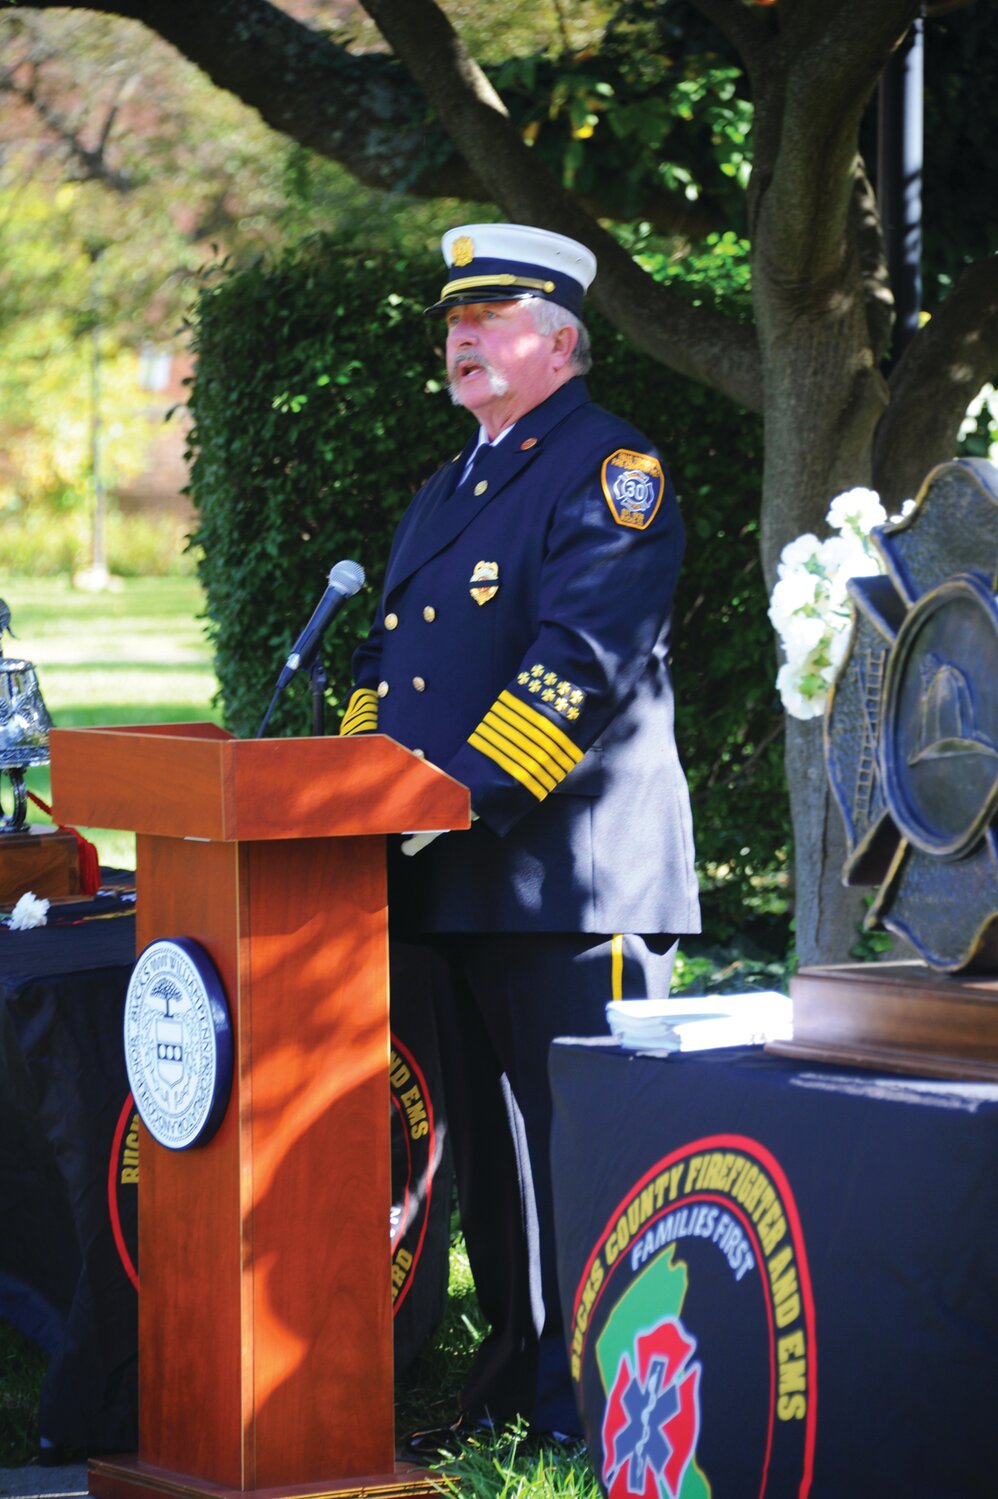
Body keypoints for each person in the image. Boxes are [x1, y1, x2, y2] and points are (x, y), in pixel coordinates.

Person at [339, 223, 700, 1445]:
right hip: (452, 874)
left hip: (566, 879)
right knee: (487, 1165)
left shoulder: (610, 469)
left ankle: (603, 1409)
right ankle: (516, 1392)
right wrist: (356, 786)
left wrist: (436, 799)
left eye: (486, 320)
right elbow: (386, 658)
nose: (459, 338)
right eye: (452, 322)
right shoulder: (456, 481)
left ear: (559, 338)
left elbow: (578, 668)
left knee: (577, 1155)